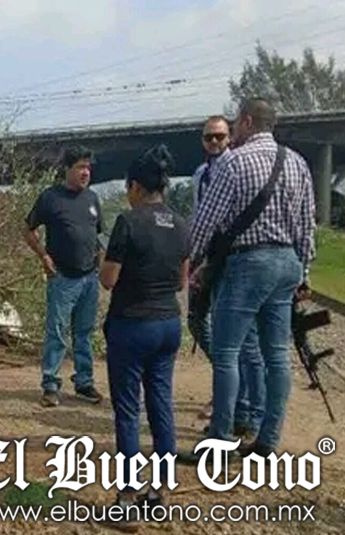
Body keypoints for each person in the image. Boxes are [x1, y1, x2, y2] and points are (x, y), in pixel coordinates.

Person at [184, 98, 316, 460]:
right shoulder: (297, 162)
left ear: (245, 122)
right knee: (277, 355)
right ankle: (267, 439)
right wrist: (304, 271)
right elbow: (307, 224)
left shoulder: (234, 162)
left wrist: (192, 263)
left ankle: (220, 439)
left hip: (248, 262)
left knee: (227, 352)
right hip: (286, 261)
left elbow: (205, 221)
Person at [98, 145, 189, 525]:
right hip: (168, 323)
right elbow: (182, 280)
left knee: (127, 411)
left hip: (132, 324)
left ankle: (126, 498)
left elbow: (109, 279)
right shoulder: (181, 224)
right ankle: (160, 492)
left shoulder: (128, 222)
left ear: (135, 187)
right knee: (161, 406)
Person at [188, 116, 264, 438]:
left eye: (220, 136)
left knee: (241, 340)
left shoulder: (237, 166)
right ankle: (230, 388)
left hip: (231, 257)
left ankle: (242, 408)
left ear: (230, 137)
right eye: (209, 137)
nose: (215, 142)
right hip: (208, 256)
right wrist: (194, 257)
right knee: (198, 321)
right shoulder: (200, 174)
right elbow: (200, 216)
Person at [25, 146, 106, 408]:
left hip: (89, 278)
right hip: (62, 278)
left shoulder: (92, 199)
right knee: (57, 332)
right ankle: (50, 384)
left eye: (88, 168)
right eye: (80, 167)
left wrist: (101, 264)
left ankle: (84, 382)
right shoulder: (51, 198)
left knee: (84, 333)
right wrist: (43, 256)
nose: (85, 172)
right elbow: (28, 230)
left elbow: (98, 237)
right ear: (67, 169)